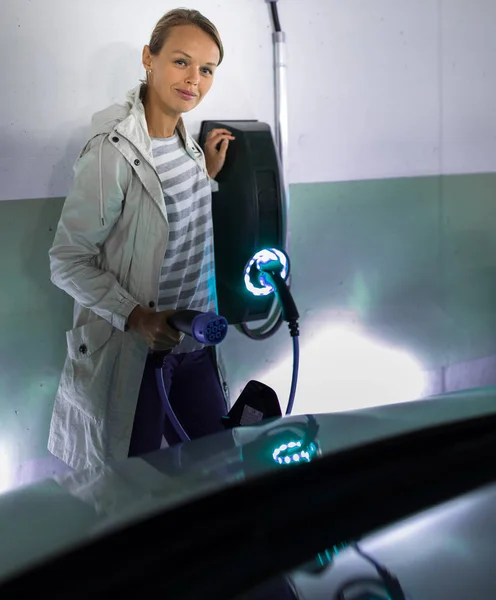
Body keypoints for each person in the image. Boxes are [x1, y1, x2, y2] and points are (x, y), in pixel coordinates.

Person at [48, 8, 235, 471]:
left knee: (218, 474)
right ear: (149, 59)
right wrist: (136, 317)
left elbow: (163, 219)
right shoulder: (112, 151)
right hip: (140, 353)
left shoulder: (188, 144)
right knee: (139, 492)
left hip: (195, 347)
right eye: (181, 61)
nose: (194, 79)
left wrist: (203, 176)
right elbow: (67, 260)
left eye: (206, 69)